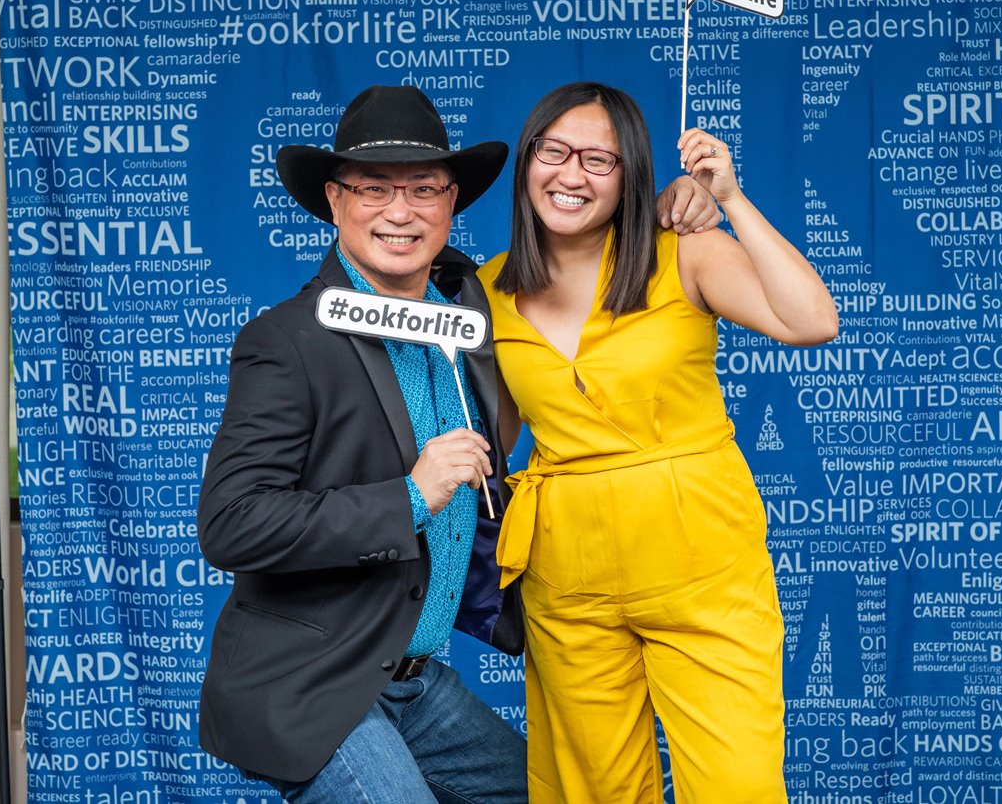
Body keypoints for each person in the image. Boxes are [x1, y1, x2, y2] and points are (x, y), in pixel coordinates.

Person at [196, 85, 720, 803]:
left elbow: (580, 265)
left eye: (423, 189)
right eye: (374, 190)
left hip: (411, 679)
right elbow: (231, 523)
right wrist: (412, 494)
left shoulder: (471, 303)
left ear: (451, 204)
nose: (401, 211)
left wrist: (673, 211)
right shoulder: (286, 341)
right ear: (335, 199)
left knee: (547, 793)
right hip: (311, 681)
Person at [478, 81, 839, 803]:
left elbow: (812, 320)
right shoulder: (484, 291)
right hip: (566, 579)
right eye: (554, 150)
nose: (570, 173)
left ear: (630, 177)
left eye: (598, 159)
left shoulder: (686, 256)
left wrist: (728, 200)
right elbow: (493, 436)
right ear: (527, 163)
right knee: (595, 790)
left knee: (737, 784)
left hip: (701, 566)